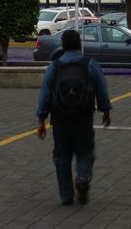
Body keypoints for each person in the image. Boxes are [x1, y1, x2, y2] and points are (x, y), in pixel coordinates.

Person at [36, 29, 112, 206]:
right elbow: (102, 89)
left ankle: (66, 195)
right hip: (83, 117)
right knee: (84, 152)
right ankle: (83, 178)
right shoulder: (90, 64)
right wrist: (106, 110)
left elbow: (45, 94)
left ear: (63, 45)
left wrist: (41, 119)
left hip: (60, 118)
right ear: (79, 44)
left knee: (62, 156)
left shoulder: (54, 67)